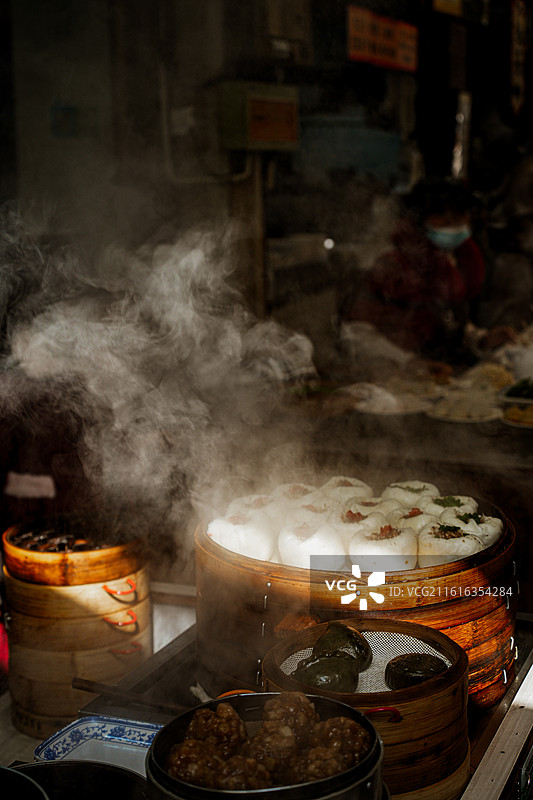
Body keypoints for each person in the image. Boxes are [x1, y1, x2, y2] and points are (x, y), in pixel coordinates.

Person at [343, 178, 515, 366]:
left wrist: (481, 339)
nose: (452, 220)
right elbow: (355, 333)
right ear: (419, 219)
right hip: (396, 380)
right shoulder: (393, 266)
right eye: (440, 213)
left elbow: (447, 319)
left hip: (443, 378)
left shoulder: (456, 259)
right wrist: (409, 362)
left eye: (460, 212)